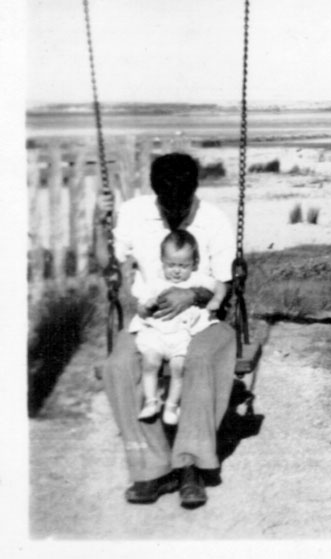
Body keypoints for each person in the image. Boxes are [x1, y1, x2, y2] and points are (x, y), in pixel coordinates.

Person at [96, 152, 236, 509]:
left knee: (200, 361)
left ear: (195, 191)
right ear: (155, 193)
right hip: (152, 321)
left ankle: (190, 465)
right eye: (166, 203)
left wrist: (192, 293)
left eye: (182, 203)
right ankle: (154, 468)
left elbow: (223, 285)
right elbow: (105, 263)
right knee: (118, 367)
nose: (174, 211)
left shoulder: (214, 220)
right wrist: (100, 221)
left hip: (202, 318)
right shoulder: (133, 212)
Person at [130, 230, 227, 427]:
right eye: (171, 265)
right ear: (162, 262)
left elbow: (220, 286)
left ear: (194, 263)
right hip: (156, 333)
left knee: (178, 368)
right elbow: (141, 309)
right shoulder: (156, 282)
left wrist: (216, 300)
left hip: (181, 335)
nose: (176, 271)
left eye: (183, 266)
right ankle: (151, 402)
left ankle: (171, 406)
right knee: (150, 363)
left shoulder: (196, 279)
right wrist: (146, 307)